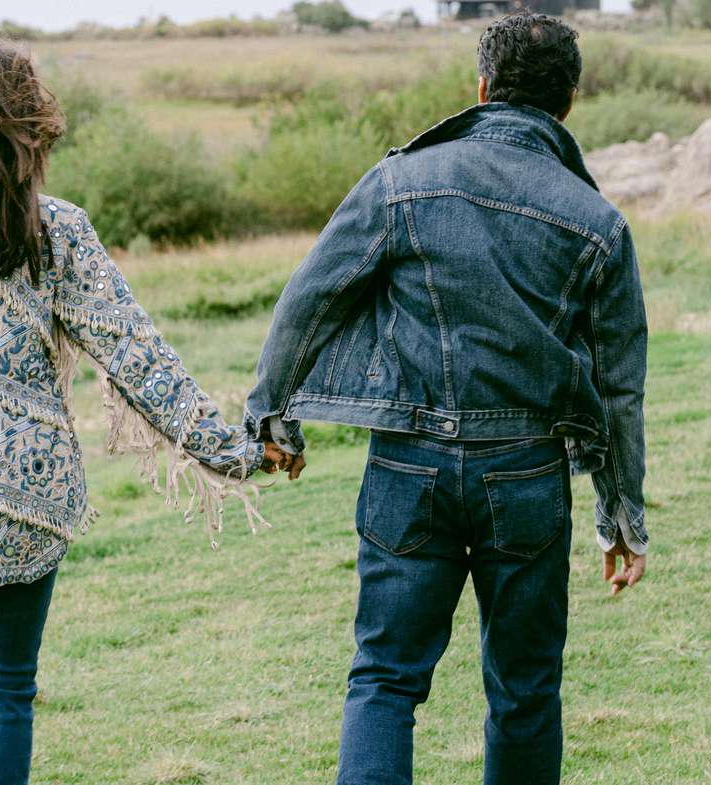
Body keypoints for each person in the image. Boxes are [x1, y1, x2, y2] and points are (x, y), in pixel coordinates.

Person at [0, 38, 273, 785]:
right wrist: (235, 450)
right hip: (9, 478)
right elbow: (139, 359)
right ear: (27, 126)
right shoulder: (53, 232)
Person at [246, 13, 649, 785]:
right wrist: (622, 515)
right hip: (527, 475)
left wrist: (273, 418)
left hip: (407, 468)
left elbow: (309, 298)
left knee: (385, 678)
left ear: (482, 87)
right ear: (569, 101)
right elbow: (620, 385)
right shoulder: (598, 222)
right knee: (526, 690)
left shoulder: (399, 180)